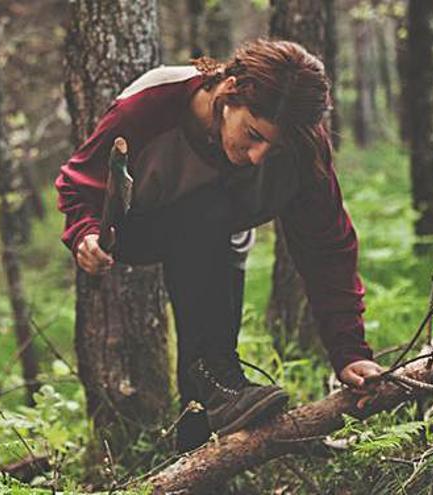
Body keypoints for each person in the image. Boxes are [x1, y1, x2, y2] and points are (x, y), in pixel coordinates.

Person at [55, 39, 383, 452]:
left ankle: (199, 439)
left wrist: (350, 352)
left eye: (274, 147)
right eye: (253, 135)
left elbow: (327, 247)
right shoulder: (152, 102)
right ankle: (222, 384)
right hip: (138, 227)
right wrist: (84, 232)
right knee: (205, 215)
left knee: (213, 326)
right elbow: (77, 181)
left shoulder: (302, 143)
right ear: (229, 91)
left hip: (221, 229)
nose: (259, 156)